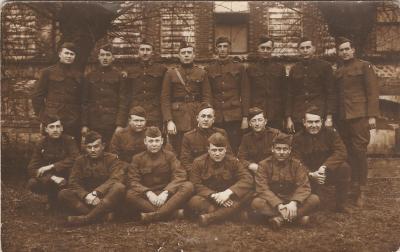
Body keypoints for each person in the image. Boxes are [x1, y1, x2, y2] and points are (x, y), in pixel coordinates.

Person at [335, 37, 380, 207]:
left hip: (360, 116)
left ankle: (361, 189)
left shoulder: (364, 66)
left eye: (347, 49)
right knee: (346, 152)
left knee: (359, 152)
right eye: (341, 50)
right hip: (343, 118)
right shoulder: (338, 71)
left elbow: (372, 92)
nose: (344, 52)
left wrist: (372, 116)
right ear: (338, 53)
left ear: (353, 49)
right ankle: (351, 186)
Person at [251, 133, 320, 230]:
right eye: (278, 149)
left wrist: (293, 203)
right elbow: (262, 188)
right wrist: (278, 204)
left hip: (291, 198)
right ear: (272, 149)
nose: (282, 152)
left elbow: (304, 186)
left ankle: (280, 219)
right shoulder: (263, 165)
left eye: (285, 149)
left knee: (314, 199)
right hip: (272, 202)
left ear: (290, 150)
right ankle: (296, 218)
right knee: (256, 203)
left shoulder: (297, 165)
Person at [125, 127, 193, 223]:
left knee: (188, 186)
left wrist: (166, 192)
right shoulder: (137, 158)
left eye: (157, 141)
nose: (154, 144)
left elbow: (180, 175)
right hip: (148, 197)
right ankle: (171, 213)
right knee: (130, 194)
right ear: (145, 141)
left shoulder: (170, 156)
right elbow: (132, 180)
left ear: (161, 141)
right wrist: (148, 193)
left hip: (168, 196)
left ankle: (155, 215)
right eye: (151, 141)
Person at [58, 131, 126, 226]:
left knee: (119, 187)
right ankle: (100, 215)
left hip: (105, 197)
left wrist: (96, 192)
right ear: (85, 147)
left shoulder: (112, 159)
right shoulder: (80, 161)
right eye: (89, 147)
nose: (93, 150)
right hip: (87, 199)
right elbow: (73, 182)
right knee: (63, 193)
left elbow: (116, 178)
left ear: (103, 146)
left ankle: (87, 218)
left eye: (96, 146)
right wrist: (85, 195)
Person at [292, 106, 351, 212]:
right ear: (304, 122)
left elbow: (341, 152)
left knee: (344, 168)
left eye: (316, 122)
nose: (314, 125)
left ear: (322, 122)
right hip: (308, 175)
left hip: (327, 172)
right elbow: (296, 161)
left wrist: (325, 167)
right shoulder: (297, 138)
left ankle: (340, 204)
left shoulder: (331, 133)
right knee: (314, 205)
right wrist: (311, 174)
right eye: (310, 122)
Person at [188, 132, 253, 226]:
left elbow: (248, 178)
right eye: (214, 150)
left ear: (225, 149)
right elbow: (195, 184)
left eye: (220, 150)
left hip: (229, 197)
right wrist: (215, 196)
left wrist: (227, 193)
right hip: (209, 198)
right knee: (194, 201)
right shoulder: (198, 162)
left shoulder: (233, 161)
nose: (217, 154)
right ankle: (233, 214)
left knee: (249, 192)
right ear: (208, 150)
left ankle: (210, 217)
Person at [161, 40, 212, 153]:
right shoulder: (171, 73)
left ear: (194, 55)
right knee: (179, 148)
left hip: (196, 115)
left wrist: (206, 116)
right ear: (179, 56)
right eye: (183, 53)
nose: (186, 55)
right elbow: (165, 99)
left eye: (189, 52)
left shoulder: (201, 72)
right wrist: (169, 120)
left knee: (198, 147)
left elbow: (207, 96)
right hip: (177, 117)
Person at [32, 42, 83, 140]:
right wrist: (44, 118)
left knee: (73, 150)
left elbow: (83, 101)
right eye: (66, 53)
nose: (69, 56)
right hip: (52, 121)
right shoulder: (47, 72)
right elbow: (37, 97)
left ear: (75, 56)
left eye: (72, 54)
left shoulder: (79, 76)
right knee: (51, 151)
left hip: (73, 121)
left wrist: (81, 122)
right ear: (60, 54)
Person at [207, 36, 250, 152]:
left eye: (225, 46)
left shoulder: (239, 67)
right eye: (219, 47)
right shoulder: (210, 69)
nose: (222, 49)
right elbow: (208, 93)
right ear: (216, 49)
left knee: (235, 145)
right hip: (218, 115)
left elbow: (245, 93)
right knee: (218, 145)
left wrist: (245, 117)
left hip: (234, 115)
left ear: (229, 48)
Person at [27, 115, 79, 210]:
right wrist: (52, 177)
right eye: (52, 127)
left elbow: (76, 158)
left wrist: (52, 166)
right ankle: (52, 198)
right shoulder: (41, 143)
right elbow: (32, 168)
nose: (55, 130)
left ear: (62, 128)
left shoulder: (69, 140)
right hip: (50, 178)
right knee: (32, 183)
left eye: (58, 126)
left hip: (67, 176)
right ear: (46, 129)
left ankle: (67, 200)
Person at [286, 37, 336, 134]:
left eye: (308, 47)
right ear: (298, 50)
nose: (305, 50)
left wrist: (329, 116)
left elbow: (331, 93)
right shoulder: (294, 69)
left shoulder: (325, 67)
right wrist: (289, 118)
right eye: (302, 48)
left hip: (319, 114)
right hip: (299, 115)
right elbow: (289, 95)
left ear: (313, 48)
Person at [81, 44, 126, 145]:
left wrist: (120, 124)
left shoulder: (119, 76)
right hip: (94, 122)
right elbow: (85, 102)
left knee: (112, 150)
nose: (105, 58)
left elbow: (123, 101)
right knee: (94, 149)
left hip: (112, 122)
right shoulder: (90, 76)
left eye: (108, 55)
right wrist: (85, 124)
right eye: (102, 55)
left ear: (113, 58)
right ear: (98, 57)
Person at [124, 40, 167, 128]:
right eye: (142, 49)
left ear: (152, 53)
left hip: (154, 113)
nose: (145, 52)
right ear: (138, 52)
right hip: (135, 112)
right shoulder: (130, 70)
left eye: (148, 50)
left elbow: (165, 93)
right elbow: (126, 94)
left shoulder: (161, 69)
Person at [247, 35, 287, 130]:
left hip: (276, 113)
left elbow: (285, 93)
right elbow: (247, 93)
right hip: (257, 113)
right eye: (263, 48)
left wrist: (285, 115)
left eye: (268, 48)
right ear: (258, 49)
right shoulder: (251, 69)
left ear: (272, 49)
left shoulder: (280, 68)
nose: (265, 51)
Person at [180, 102, 232, 172]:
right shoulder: (188, 136)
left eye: (209, 116)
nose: (206, 119)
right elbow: (185, 161)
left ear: (213, 119)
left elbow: (229, 155)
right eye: (203, 116)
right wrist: (195, 173)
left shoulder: (221, 133)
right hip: (198, 173)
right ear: (197, 118)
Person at [238, 107, 280, 174]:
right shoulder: (246, 138)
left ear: (265, 121)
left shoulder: (275, 134)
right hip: (254, 171)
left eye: (260, 120)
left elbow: (281, 155)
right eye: (253, 121)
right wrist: (250, 165)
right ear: (249, 123)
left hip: (272, 170)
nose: (257, 124)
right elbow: (241, 158)